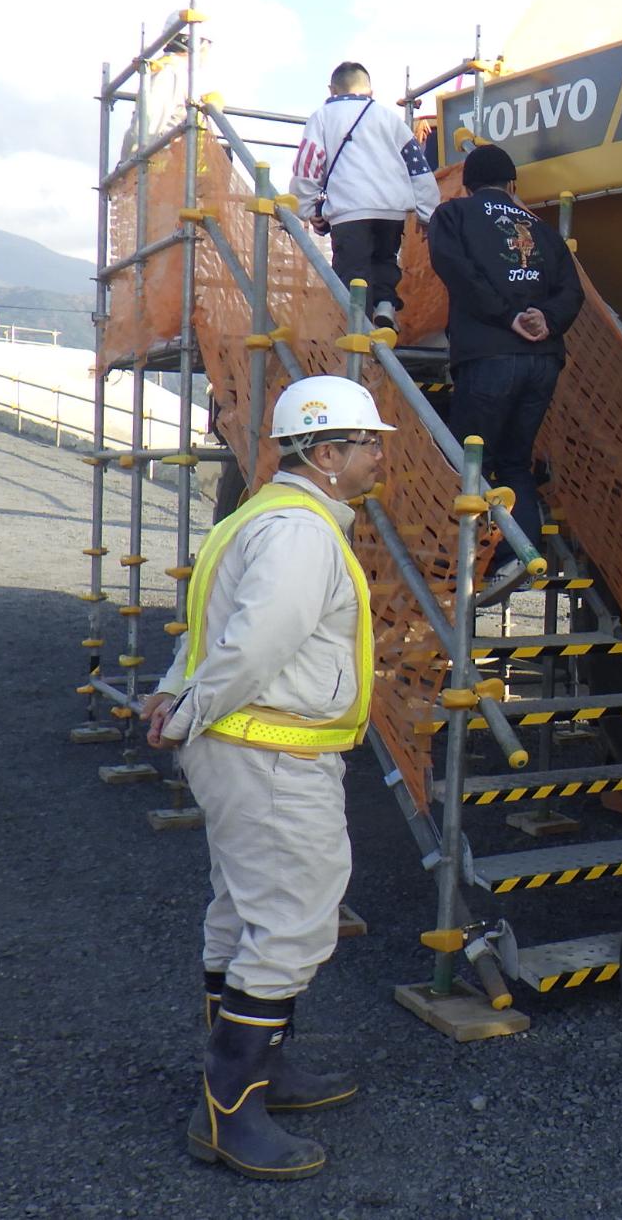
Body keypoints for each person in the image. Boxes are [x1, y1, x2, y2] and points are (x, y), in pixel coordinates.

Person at [138, 375, 393, 1182]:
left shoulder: (263, 517)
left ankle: (259, 1072)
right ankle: (229, 1107)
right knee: (291, 918)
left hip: (247, 746)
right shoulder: (301, 534)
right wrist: (193, 705)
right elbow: (252, 644)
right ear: (326, 454)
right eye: (368, 443)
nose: (380, 455)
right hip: (273, 751)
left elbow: (210, 622)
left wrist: (179, 693)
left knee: (243, 910)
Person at [425, 142, 582, 588]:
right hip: (543, 362)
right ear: (513, 184)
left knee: (466, 461)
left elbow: (457, 270)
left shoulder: (453, 216)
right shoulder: (544, 231)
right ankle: (521, 556)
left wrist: (505, 314)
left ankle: (450, 564)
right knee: (515, 461)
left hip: (488, 356)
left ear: (466, 183)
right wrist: (546, 320)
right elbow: (573, 292)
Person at [290, 61, 440, 331]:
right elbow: (417, 166)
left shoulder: (323, 117)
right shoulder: (388, 118)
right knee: (384, 260)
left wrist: (306, 207)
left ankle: (358, 336)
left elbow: (308, 164)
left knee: (353, 274)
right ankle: (385, 305)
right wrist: (428, 212)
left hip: (350, 210)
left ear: (331, 88)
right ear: (370, 89)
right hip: (392, 211)